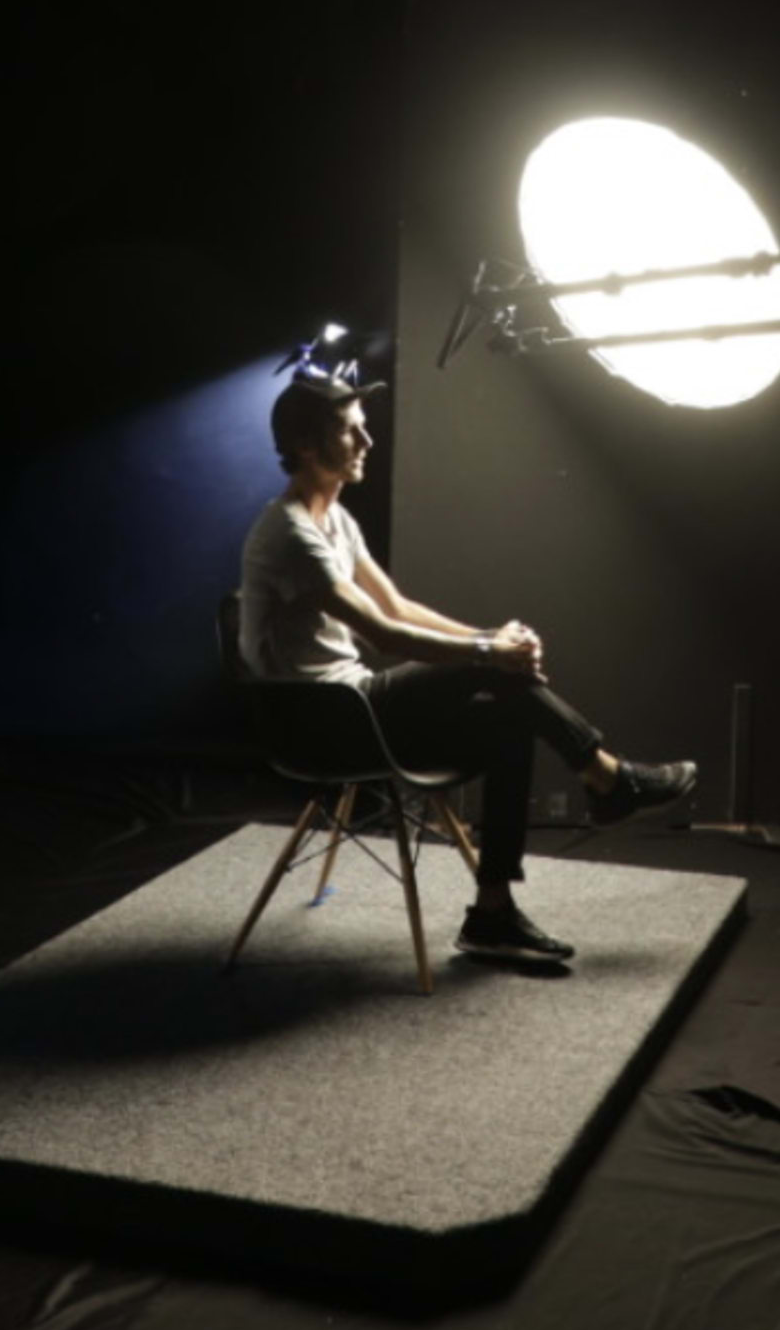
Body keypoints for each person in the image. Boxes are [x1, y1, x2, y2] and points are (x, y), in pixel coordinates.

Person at [233, 373, 694, 964]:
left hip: (354, 706)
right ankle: (610, 778)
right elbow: (383, 633)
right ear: (304, 445)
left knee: (508, 721)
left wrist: (488, 639)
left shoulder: (337, 521)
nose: (368, 442)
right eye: (350, 431)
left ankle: (493, 913)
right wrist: (490, 654)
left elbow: (396, 605)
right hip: (318, 721)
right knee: (496, 674)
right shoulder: (291, 534)